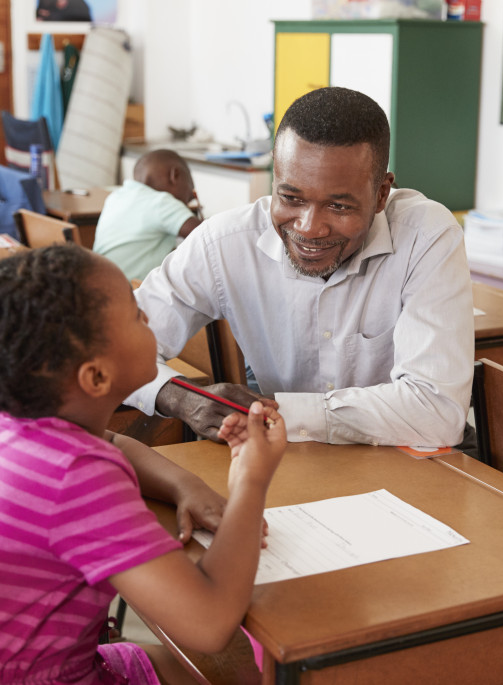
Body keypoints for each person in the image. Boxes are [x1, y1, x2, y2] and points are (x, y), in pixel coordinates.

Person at [128, 87, 474, 449]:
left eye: (338, 206)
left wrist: (277, 415)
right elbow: (110, 347)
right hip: (287, 466)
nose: (309, 228)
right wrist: (178, 396)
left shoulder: (425, 235)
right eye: (290, 198)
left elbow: (436, 414)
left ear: (381, 195)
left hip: (407, 466)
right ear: (274, 179)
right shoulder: (225, 244)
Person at [0, 244, 285, 684]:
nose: (148, 319)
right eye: (135, 314)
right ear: (96, 377)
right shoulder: (74, 476)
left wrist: (182, 484)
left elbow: (113, 441)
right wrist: (251, 479)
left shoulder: (26, 425)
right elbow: (209, 624)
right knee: (240, 670)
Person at [93, 149, 203, 282]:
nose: (187, 203)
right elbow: (207, 235)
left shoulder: (117, 196)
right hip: (129, 292)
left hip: (100, 283)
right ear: (175, 176)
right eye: (190, 195)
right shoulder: (162, 202)